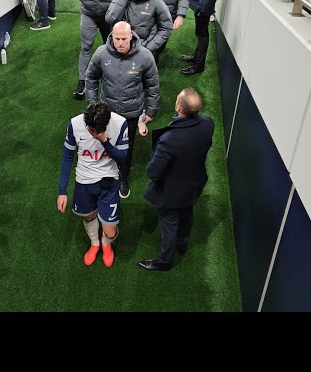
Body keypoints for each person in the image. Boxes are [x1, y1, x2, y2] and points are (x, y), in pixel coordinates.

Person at [138, 88, 214, 271]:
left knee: (169, 223)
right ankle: (182, 243)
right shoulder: (208, 124)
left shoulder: (169, 140)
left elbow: (153, 172)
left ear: (178, 107)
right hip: (194, 183)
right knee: (187, 212)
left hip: (172, 191)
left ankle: (164, 260)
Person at [85, 21, 160, 199]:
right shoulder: (101, 53)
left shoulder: (145, 56)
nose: (120, 43)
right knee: (104, 143)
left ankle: (123, 177)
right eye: (117, 38)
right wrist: (92, 104)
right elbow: (91, 78)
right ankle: (104, 173)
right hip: (106, 113)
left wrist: (150, 111)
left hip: (131, 115)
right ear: (112, 36)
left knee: (126, 149)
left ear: (131, 36)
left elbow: (153, 86)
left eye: (124, 39)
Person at [57, 101, 129, 267]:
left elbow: (123, 158)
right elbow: (68, 157)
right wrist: (62, 191)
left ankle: (106, 243)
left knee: (110, 232)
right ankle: (95, 243)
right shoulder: (75, 124)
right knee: (88, 216)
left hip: (109, 181)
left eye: (97, 131)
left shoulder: (120, 123)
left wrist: (104, 140)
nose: (92, 134)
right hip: (84, 181)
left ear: (106, 124)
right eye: (90, 129)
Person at [72, 0, 127, 99]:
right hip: (88, 13)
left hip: (108, 14)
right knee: (86, 47)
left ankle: (112, 78)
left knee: (110, 46)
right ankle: (82, 81)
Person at [105, 0, 173, 63]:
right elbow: (110, 19)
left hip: (145, 50)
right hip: (123, 48)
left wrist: (149, 48)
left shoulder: (157, 3)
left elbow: (166, 28)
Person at [181, 0, 225, 75]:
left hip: (203, 4)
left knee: (202, 33)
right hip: (198, 1)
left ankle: (199, 65)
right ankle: (196, 56)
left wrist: (203, 6)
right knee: (199, 31)